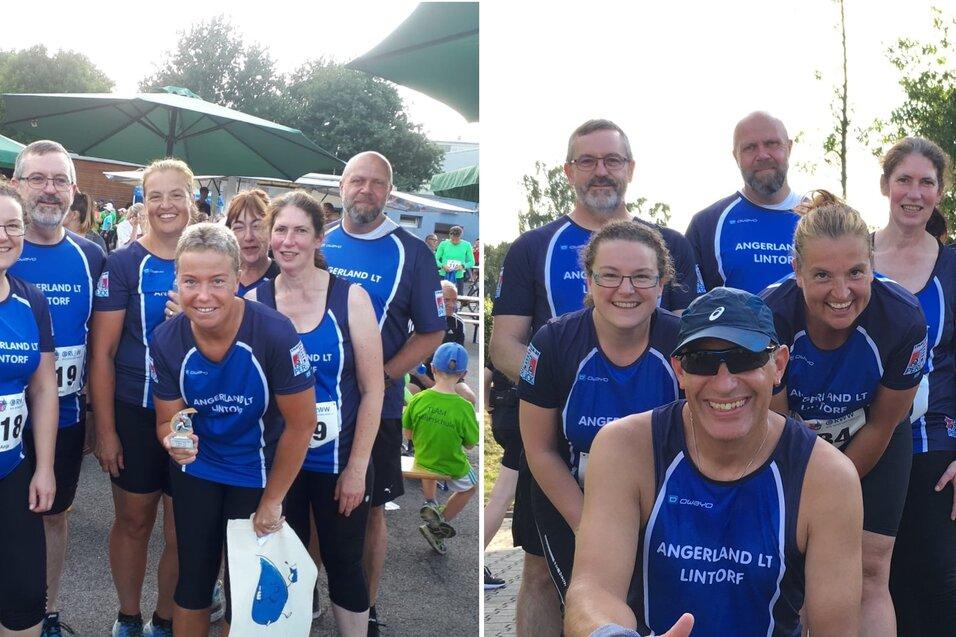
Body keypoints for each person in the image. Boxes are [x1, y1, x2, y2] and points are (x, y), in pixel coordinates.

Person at [490, 119, 699, 636]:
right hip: (560, 433)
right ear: (569, 171)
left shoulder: (669, 243)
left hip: (655, 437)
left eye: (612, 160)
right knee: (541, 573)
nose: (601, 171)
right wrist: (564, 388)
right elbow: (501, 344)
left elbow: (690, 345)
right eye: (588, 160)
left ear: (630, 169)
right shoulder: (532, 247)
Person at [565, 287, 864, 637]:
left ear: (778, 365)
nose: (724, 384)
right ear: (679, 370)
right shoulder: (626, 448)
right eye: (702, 362)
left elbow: (836, 629)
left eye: (744, 358)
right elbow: (591, 589)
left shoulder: (827, 476)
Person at [762, 191, 927, 637]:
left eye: (856, 272)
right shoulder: (771, 315)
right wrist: (810, 494)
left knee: (870, 571)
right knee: (794, 567)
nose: (841, 292)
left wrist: (835, 488)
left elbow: (883, 423)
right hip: (793, 439)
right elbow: (772, 425)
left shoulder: (903, 319)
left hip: (872, 436)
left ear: (873, 264)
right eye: (822, 275)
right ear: (797, 273)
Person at [149, 222, 315, 636]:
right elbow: (167, 420)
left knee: (249, 588)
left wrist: (275, 500)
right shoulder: (166, 340)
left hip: (256, 474)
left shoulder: (274, 333)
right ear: (177, 281)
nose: (203, 296)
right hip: (198, 473)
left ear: (239, 276)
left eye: (217, 281)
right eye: (190, 281)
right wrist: (174, 441)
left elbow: (301, 424)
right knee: (193, 581)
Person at [519, 220, 682, 609]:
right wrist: (588, 527)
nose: (626, 290)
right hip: (574, 493)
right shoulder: (554, 341)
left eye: (642, 277)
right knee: (587, 608)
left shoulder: (683, 341)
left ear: (661, 285)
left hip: (665, 504)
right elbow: (539, 449)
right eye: (609, 276)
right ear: (588, 282)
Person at [248, 190, 383, 636]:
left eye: (300, 231)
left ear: (319, 238)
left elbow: (372, 387)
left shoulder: (351, 298)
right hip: (274, 462)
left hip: (335, 461)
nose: (288, 241)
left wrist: (359, 467)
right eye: (280, 230)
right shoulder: (251, 301)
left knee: (344, 560)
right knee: (280, 559)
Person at [322, 151, 445, 635]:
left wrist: (384, 377)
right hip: (315, 402)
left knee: (371, 510)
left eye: (376, 183)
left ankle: (367, 608)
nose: (365, 191)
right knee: (314, 504)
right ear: (342, 186)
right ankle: (309, 593)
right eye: (357, 181)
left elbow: (431, 333)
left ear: (388, 192)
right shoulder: (319, 242)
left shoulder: (412, 252)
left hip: (381, 408)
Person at [90, 158, 194, 637]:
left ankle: (164, 619)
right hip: (135, 409)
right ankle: (128, 616)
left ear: (192, 200)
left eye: (176, 194)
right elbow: (103, 353)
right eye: (156, 195)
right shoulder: (124, 262)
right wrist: (106, 431)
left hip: (195, 417)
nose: (166, 204)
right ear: (142, 202)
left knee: (180, 530)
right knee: (133, 521)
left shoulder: (212, 257)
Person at [10, 140, 107, 636]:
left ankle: (44, 611)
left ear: (73, 190)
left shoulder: (92, 256)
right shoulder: (6, 246)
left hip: (63, 415)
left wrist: (93, 415)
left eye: (60, 180)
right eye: (38, 179)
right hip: (9, 415)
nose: (49, 190)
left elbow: (101, 341)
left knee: (51, 513)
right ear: (16, 184)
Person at [872, 138, 956, 636]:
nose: (914, 192)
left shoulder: (952, 266)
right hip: (857, 446)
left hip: (935, 451)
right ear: (885, 186)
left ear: (940, 193)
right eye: (904, 179)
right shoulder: (852, 253)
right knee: (863, 581)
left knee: (936, 586)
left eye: (927, 182)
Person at [0, 181, 58, 636]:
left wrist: (45, 468)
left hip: (13, 471)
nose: (4, 235)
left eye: (12, 225)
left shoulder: (30, 300)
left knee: (23, 597)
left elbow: (42, 391)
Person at [686, 111, 803, 293]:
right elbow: (691, 311)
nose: (762, 155)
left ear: (789, 147)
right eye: (750, 147)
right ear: (736, 156)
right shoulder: (706, 225)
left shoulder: (822, 216)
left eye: (772, 144)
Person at [403, 342, 479, 555]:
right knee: (471, 488)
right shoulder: (464, 407)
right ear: (464, 373)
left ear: (432, 368)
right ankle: (439, 523)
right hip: (451, 464)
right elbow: (470, 444)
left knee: (428, 466)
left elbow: (408, 434)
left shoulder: (418, 399)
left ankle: (431, 502)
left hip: (423, 457)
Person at [408, 280, 476, 405]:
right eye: (446, 300)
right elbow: (411, 364)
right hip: (420, 377)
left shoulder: (458, 323)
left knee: (469, 399)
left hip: (449, 378)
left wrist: (446, 386)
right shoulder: (417, 321)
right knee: (408, 397)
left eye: (455, 300)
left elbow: (460, 360)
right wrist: (430, 384)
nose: (452, 304)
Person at [483, 360, 517, 590]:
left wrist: (488, 407)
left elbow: (486, 375)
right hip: (522, 420)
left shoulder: (508, 341)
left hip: (502, 416)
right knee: (503, 495)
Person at [223, 189, 280, 296]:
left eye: (257, 226)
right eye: (239, 227)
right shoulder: (219, 275)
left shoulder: (284, 278)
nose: (248, 236)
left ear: (272, 230)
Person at [435, 225, 475, 295]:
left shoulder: (467, 245)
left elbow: (472, 262)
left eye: (457, 239)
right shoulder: (443, 244)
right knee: (440, 297)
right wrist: (442, 265)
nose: (455, 242)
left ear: (460, 236)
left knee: (458, 299)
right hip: (443, 275)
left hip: (458, 277)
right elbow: (435, 259)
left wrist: (463, 266)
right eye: (453, 239)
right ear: (450, 235)